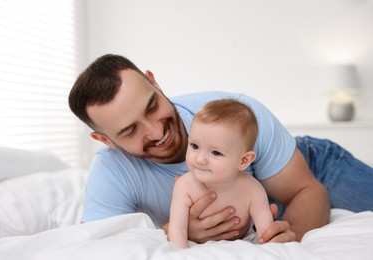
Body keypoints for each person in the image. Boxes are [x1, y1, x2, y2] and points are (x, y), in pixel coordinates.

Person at [68, 54, 373, 243]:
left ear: (155, 83)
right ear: (107, 141)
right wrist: (177, 230)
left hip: (309, 163)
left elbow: (308, 189)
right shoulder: (111, 171)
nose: (156, 131)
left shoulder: (238, 113)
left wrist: (287, 234)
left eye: (152, 106)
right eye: (130, 130)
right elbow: (98, 243)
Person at [168, 99, 274, 248]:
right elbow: (177, 228)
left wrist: (270, 246)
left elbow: (267, 235)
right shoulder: (185, 186)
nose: (200, 159)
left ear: (243, 161)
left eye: (216, 153)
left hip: (241, 243)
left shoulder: (252, 190)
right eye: (195, 146)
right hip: (196, 246)